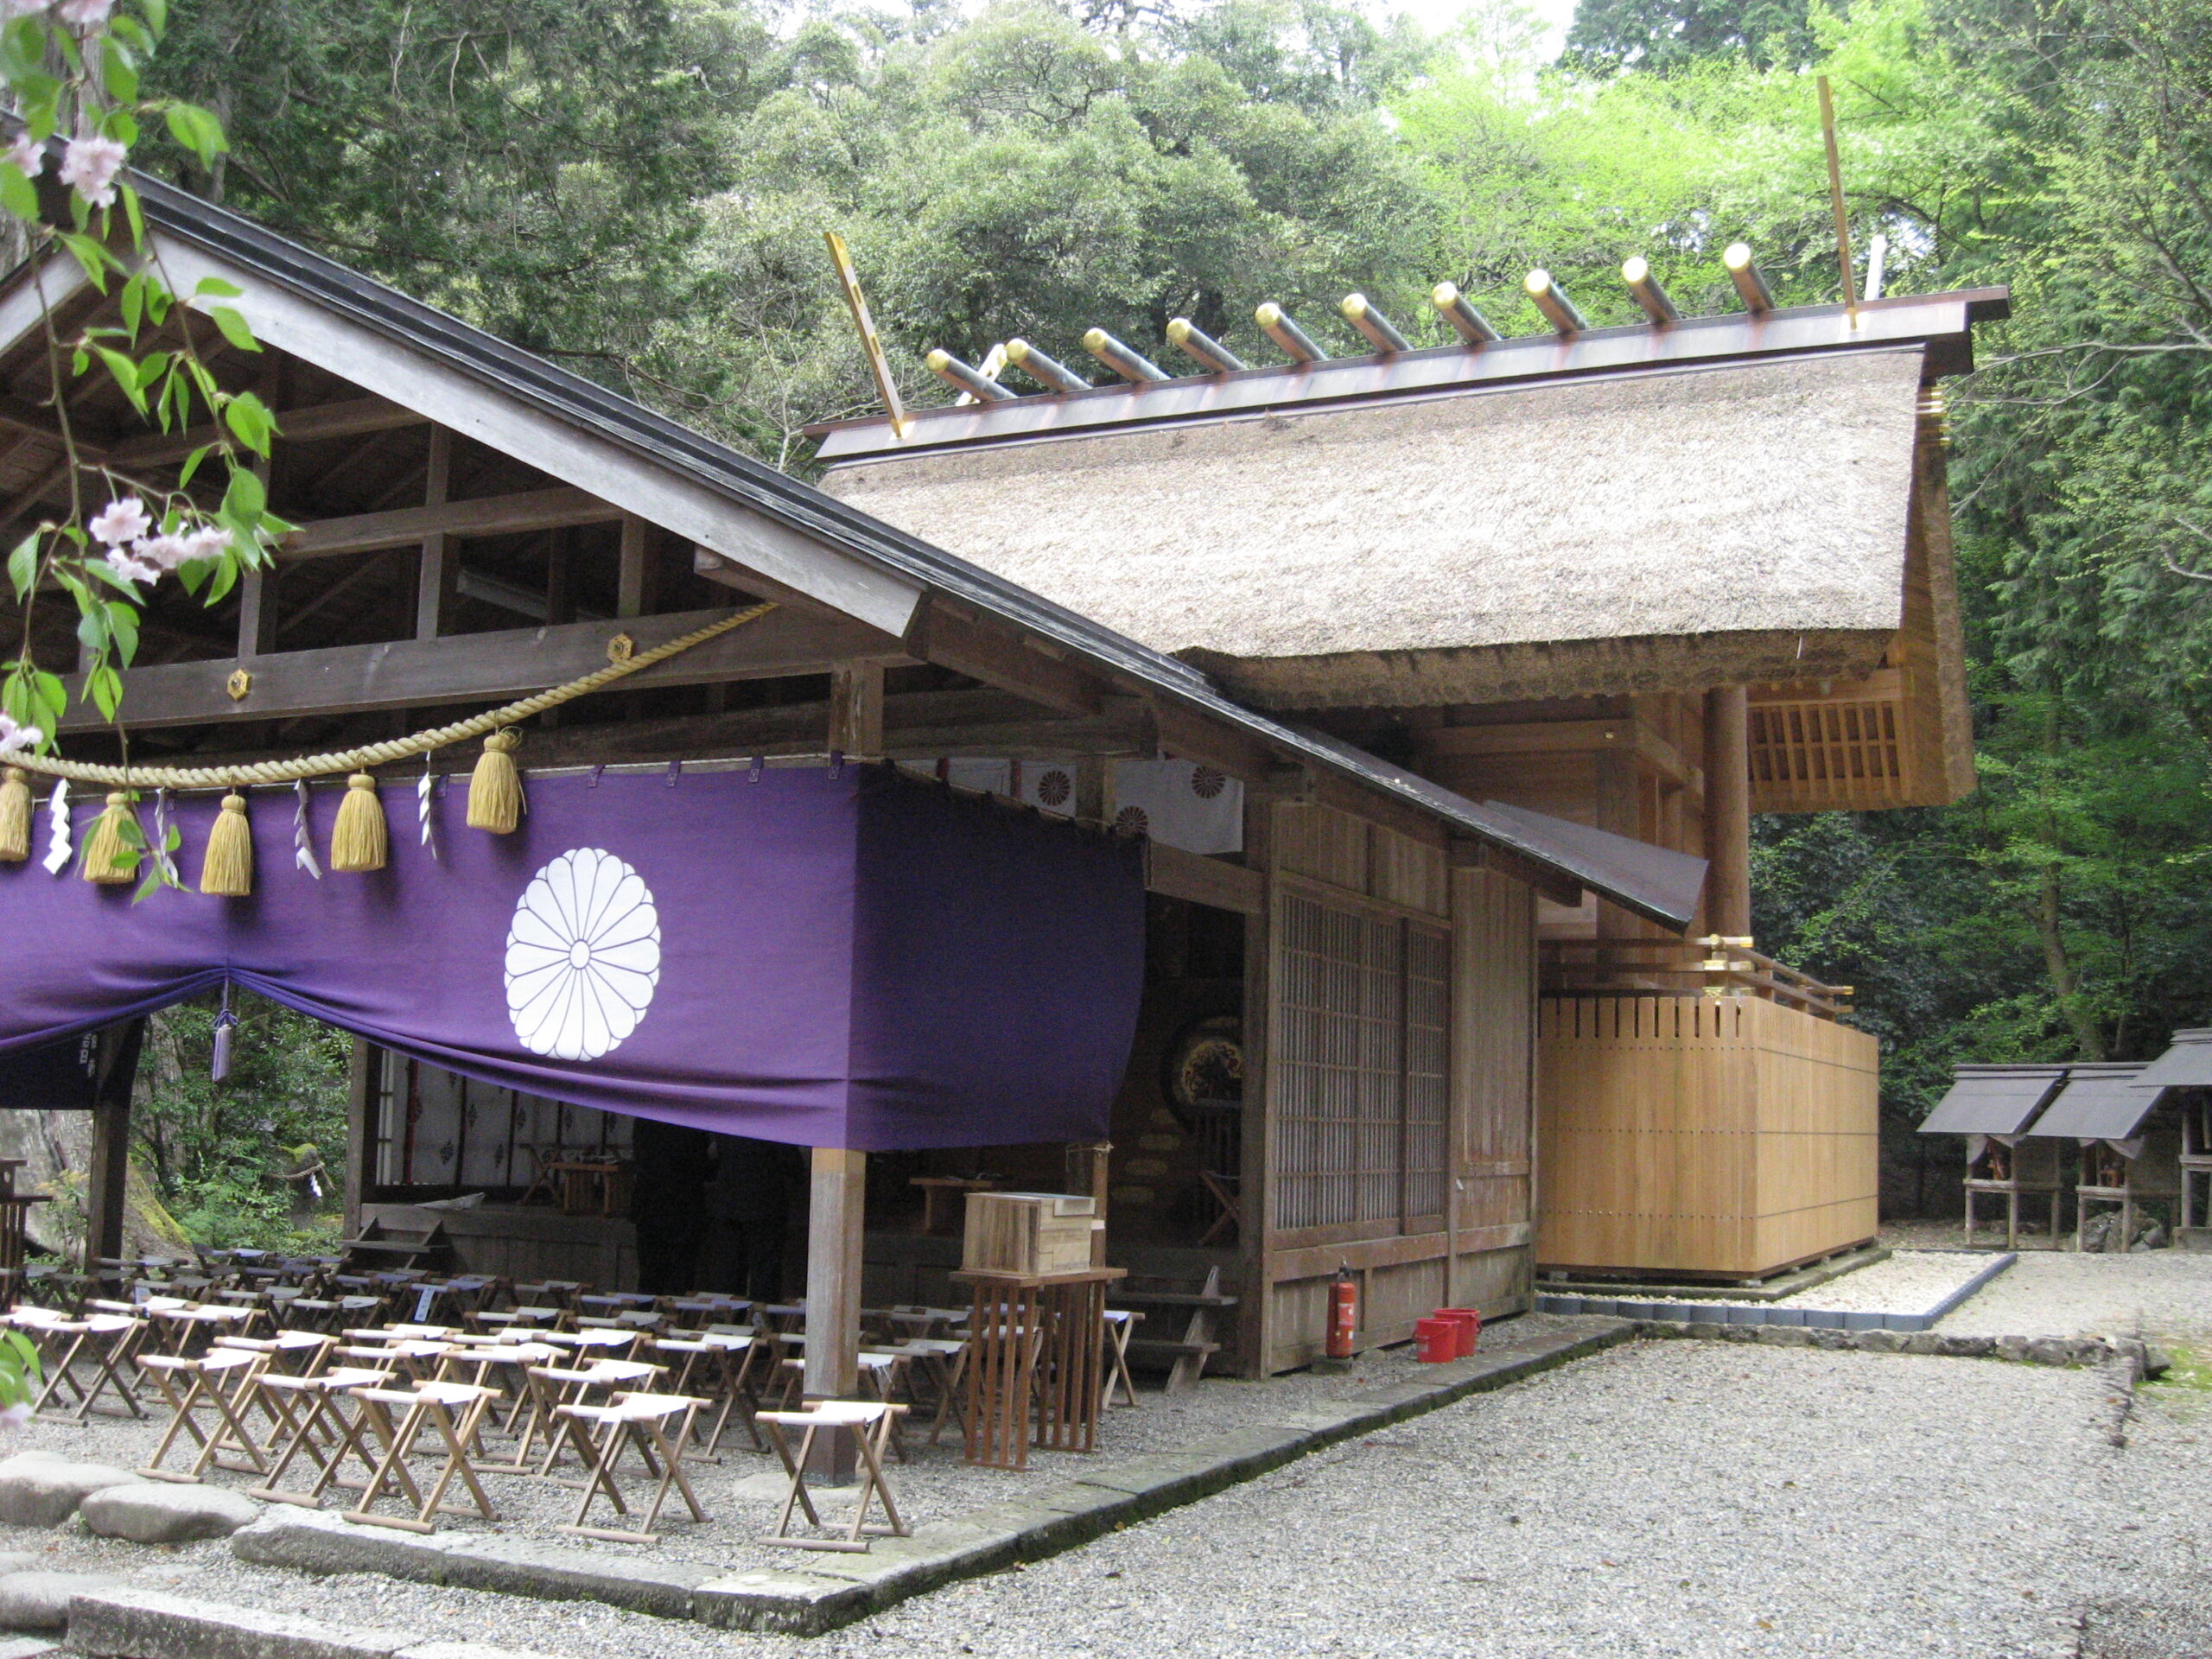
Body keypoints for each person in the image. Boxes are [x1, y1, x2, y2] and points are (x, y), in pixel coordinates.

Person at [704, 1135, 800, 1300]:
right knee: (765, 1273)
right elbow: (793, 1164)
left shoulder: (729, 1121)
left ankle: (728, 1319)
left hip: (728, 1202)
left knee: (729, 1271)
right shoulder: (774, 1124)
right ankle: (761, 1320)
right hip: (765, 1203)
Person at [628, 1116, 711, 1294]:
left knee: (650, 1274)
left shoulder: (646, 1116)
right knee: (679, 1276)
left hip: (650, 1203)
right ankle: (673, 1317)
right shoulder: (691, 1120)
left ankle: (647, 1317)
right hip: (682, 1204)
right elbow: (699, 1163)